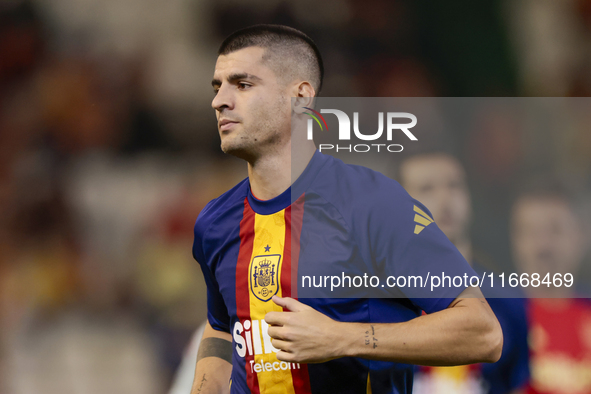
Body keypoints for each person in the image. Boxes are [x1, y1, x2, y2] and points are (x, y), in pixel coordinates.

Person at [191, 24, 503, 394]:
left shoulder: (372, 203)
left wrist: (341, 338)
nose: (220, 101)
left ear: (300, 96)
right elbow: (222, 326)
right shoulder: (215, 222)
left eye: (242, 85)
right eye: (217, 86)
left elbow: (483, 332)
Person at [398, 152, 530, 394]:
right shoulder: (376, 300)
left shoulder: (506, 297)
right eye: (427, 188)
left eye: (454, 185)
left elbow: (519, 384)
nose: (445, 198)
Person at [510, 178, 591, 394]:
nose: (543, 246)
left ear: (582, 236)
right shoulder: (495, 318)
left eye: (555, 230)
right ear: (515, 240)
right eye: (531, 232)